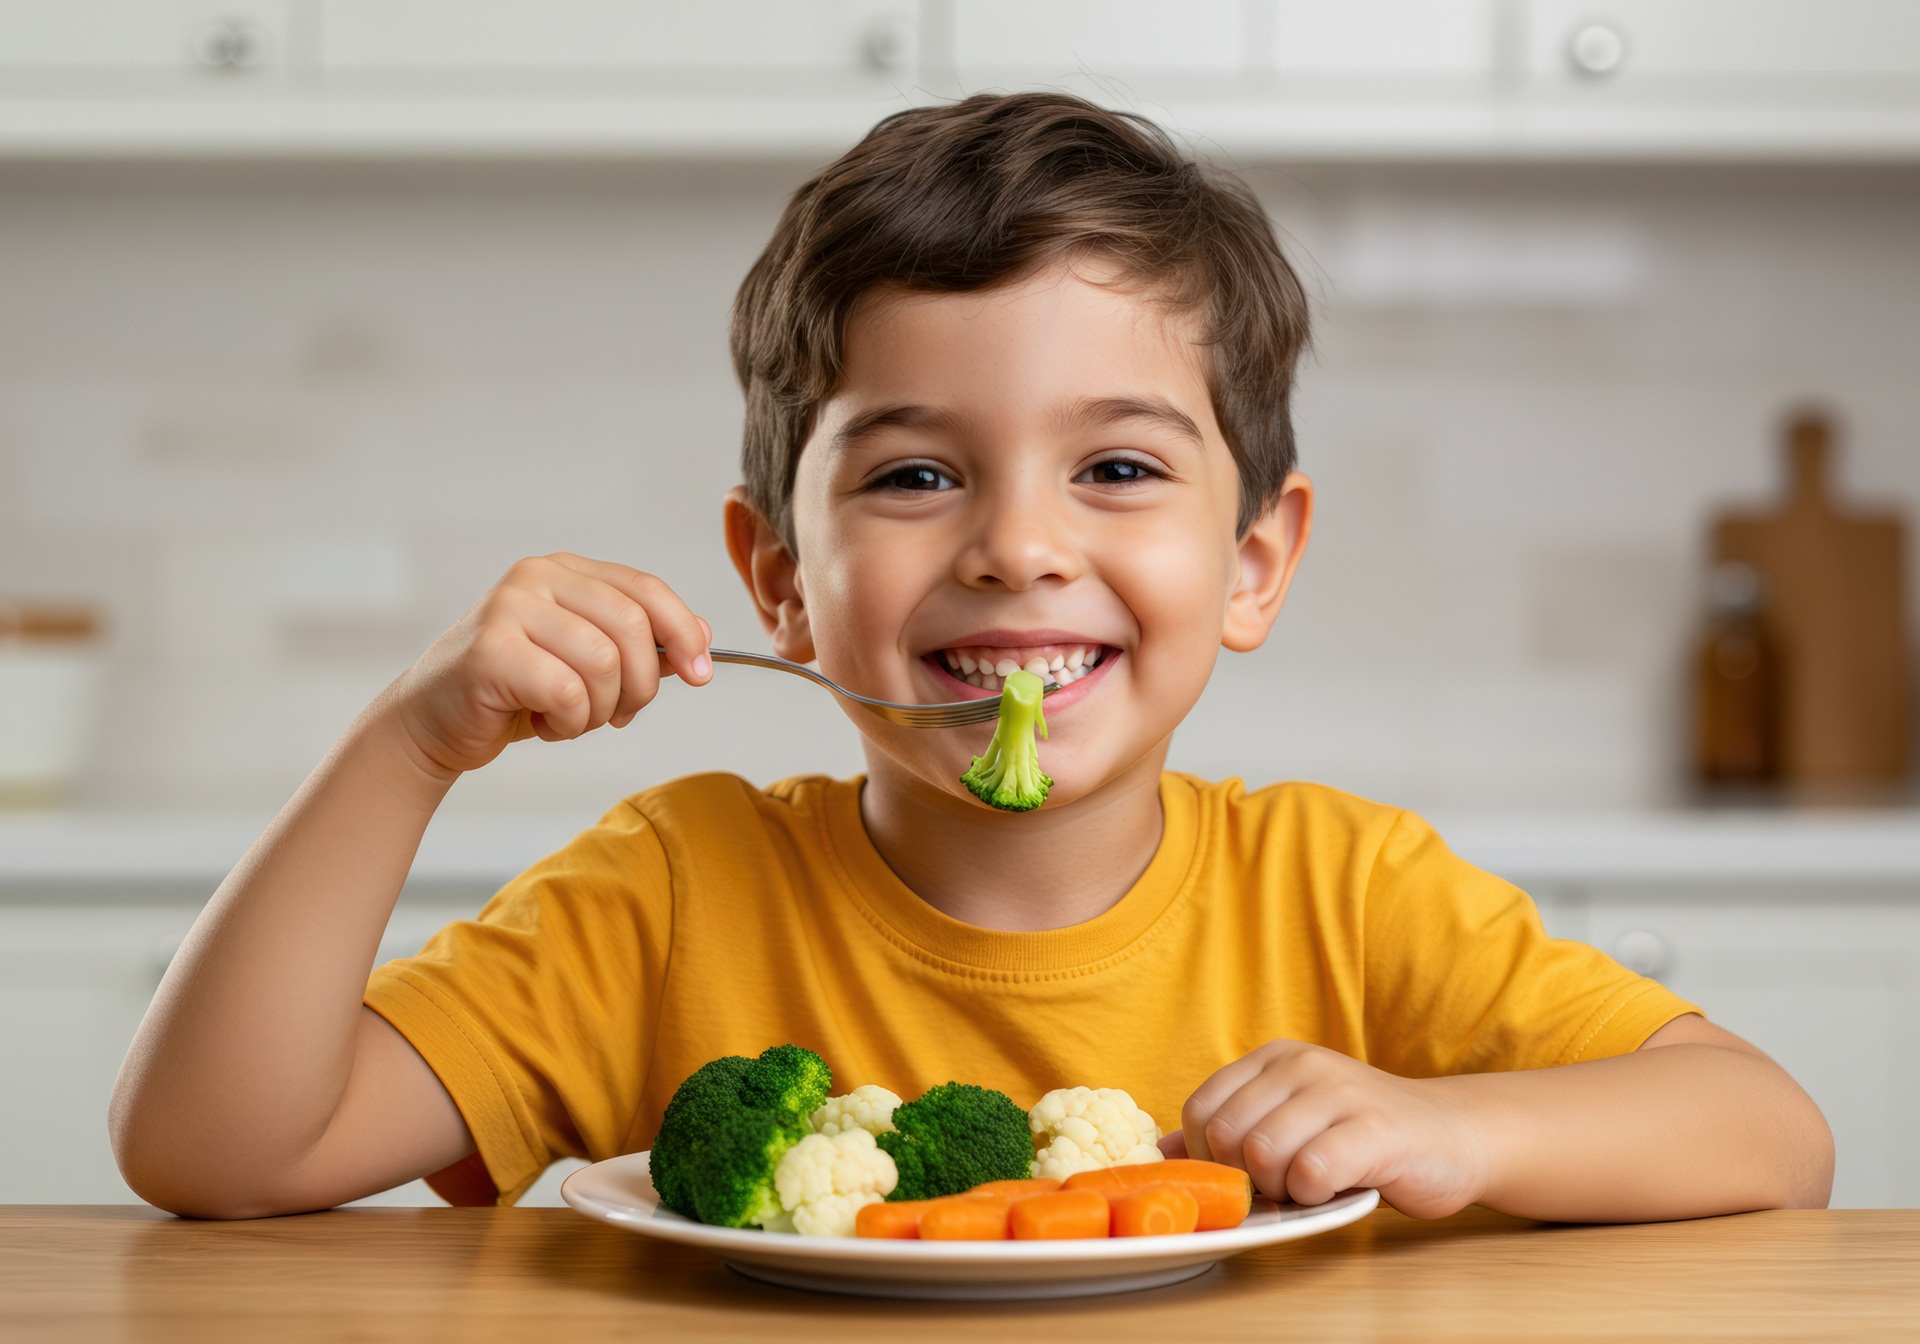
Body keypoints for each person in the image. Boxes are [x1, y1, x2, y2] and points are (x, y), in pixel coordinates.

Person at [110, 93, 1832, 1221]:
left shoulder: (1346, 889)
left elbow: (1770, 1135)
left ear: (1254, 563)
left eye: (1120, 469)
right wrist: (411, 741)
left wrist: (1465, 1135)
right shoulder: (668, 892)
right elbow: (214, 1153)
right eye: (919, 474)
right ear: (779, 580)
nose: (1019, 545)